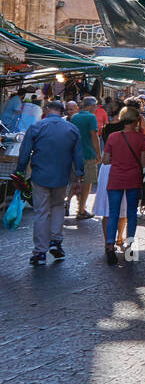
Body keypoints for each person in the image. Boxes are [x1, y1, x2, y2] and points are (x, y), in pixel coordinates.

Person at [14, 100, 84, 266]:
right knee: (58, 206)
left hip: (40, 175)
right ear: (62, 112)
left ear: (46, 110)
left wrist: (20, 171)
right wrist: (79, 178)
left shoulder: (37, 127)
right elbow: (78, 156)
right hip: (61, 176)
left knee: (41, 212)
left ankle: (40, 252)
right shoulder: (72, 128)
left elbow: (24, 151)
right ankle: (56, 242)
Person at [101, 110, 145, 266]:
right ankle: (129, 245)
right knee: (131, 213)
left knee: (113, 212)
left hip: (115, 178)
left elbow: (106, 160)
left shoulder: (113, 137)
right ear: (136, 121)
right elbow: (143, 163)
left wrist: (118, 159)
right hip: (133, 178)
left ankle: (109, 246)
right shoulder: (141, 138)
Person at [67, 96, 100, 219]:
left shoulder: (75, 116)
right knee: (87, 183)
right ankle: (81, 210)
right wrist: (98, 153)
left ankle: (68, 200)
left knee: (76, 181)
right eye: (95, 105)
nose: (96, 107)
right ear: (91, 106)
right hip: (88, 154)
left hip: (75, 154)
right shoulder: (91, 117)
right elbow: (94, 136)